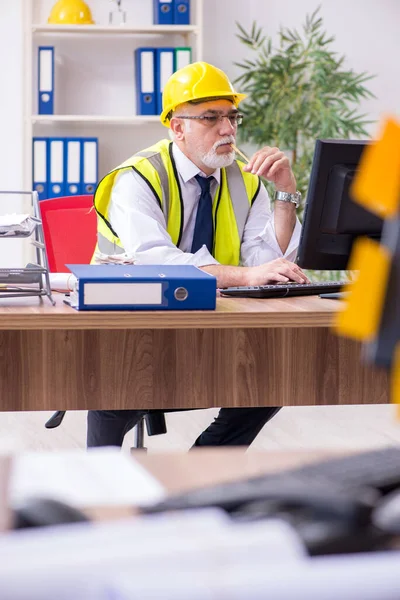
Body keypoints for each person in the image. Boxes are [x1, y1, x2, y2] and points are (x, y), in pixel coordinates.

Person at [88, 61, 309, 448]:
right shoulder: (138, 177)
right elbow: (155, 261)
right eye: (211, 118)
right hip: (129, 325)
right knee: (115, 388)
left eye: (232, 117)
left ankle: (203, 471)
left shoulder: (244, 178)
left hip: (212, 321)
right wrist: (242, 277)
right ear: (178, 127)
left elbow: (266, 263)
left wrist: (285, 195)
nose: (228, 130)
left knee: (270, 378)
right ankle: (98, 491)